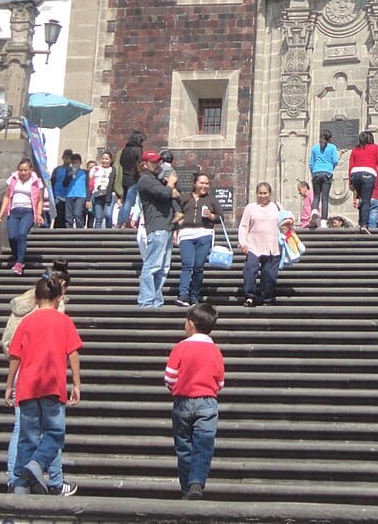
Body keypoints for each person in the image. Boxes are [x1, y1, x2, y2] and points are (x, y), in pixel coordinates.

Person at [4, 275, 83, 496]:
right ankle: (37, 464)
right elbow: (73, 353)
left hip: (27, 386)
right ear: (58, 298)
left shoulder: (27, 321)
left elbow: (15, 355)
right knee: (55, 433)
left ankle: (20, 487)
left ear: (36, 298)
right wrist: (76, 384)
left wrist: (9, 384)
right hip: (52, 385)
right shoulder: (64, 321)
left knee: (27, 438)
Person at [165, 303, 226, 500]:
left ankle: (185, 487)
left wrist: (175, 388)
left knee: (184, 446)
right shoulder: (215, 351)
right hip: (207, 402)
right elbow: (221, 381)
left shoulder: (180, 347)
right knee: (203, 445)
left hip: (183, 401)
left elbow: (169, 378)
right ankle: (197, 483)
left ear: (191, 323)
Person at [136, 149, 178, 308]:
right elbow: (164, 193)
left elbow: (173, 195)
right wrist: (170, 185)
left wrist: (170, 189)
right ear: (145, 164)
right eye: (154, 162)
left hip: (167, 225)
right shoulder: (145, 179)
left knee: (163, 267)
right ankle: (146, 301)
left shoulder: (155, 179)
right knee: (153, 264)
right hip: (157, 225)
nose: (158, 164)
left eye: (159, 161)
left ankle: (156, 299)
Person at [175, 173, 220, 307]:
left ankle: (194, 295)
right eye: (201, 183)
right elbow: (177, 213)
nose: (204, 186)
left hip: (204, 234)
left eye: (206, 184)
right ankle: (183, 294)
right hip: (186, 234)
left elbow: (220, 217)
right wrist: (176, 229)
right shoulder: (184, 198)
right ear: (195, 183)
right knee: (187, 264)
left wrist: (212, 216)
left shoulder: (211, 199)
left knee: (198, 266)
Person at [0, 159, 44, 275]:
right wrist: (1, 213)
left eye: (25, 170)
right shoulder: (13, 179)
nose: (23, 173)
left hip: (28, 211)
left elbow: (40, 200)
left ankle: (19, 262)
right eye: (20, 170)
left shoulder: (37, 182)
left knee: (22, 234)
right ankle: (18, 257)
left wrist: (39, 214)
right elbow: (7, 196)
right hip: (14, 211)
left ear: (31, 170)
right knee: (12, 237)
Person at [237, 182, 282, 307]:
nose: (263, 196)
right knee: (250, 269)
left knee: (269, 274)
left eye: (265, 193)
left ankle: (266, 298)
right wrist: (243, 242)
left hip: (273, 246)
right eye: (260, 193)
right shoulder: (250, 208)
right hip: (253, 245)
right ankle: (250, 296)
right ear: (256, 194)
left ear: (270, 194)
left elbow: (285, 222)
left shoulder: (277, 207)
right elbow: (243, 226)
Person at [348, 130, 378, 229]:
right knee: (366, 200)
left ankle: (361, 222)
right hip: (368, 174)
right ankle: (364, 225)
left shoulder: (355, 149)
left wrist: (350, 182)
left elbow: (351, 165)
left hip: (355, 174)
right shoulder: (375, 148)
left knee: (362, 199)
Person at [308, 130, 339, 224]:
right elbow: (335, 160)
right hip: (327, 173)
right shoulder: (332, 147)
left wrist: (314, 172)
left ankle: (314, 211)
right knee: (324, 198)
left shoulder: (314, 148)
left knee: (316, 195)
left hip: (316, 173)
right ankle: (324, 220)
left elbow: (311, 163)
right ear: (330, 139)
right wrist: (330, 168)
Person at [117, 131, 146, 226]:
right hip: (133, 177)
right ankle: (125, 221)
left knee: (125, 200)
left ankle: (119, 221)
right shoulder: (137, 149)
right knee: (129, 201)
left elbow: (121, 162)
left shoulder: (125, 149)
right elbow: (140, 163)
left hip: (124, 177)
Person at [89, 150, 116, 226]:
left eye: (106, 159)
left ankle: (109, 235)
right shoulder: (95, 168)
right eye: (103, 158)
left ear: (111, 160)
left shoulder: (113, 169)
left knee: (108, 215)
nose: (104, 160)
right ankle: (97, 237)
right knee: (98, 218)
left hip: (109, 195)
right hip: (97, 195)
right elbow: (89, 181)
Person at [50, 149, 74, 228]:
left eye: (69, 158)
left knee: (67, 216)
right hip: (58, 196)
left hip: (68, 197)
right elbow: (52, 182)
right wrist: (52, 195)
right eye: (66, 158)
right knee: (58, 216)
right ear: (63, 158)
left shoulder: (73, 170)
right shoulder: (57, 169)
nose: (67, 160)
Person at [64, 152, 89, 228]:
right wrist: (70, 175)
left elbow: (87, 185)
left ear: (80, 163)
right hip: (69, 195)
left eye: (76, 163)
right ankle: (69, 232)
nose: (75, 164)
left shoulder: (84, 172)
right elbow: (64, 184)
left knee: (78, 213)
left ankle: (80, 231)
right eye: (73, 163)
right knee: (68, 216)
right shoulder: (68, 171)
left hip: (81, 196)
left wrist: (88, 199)